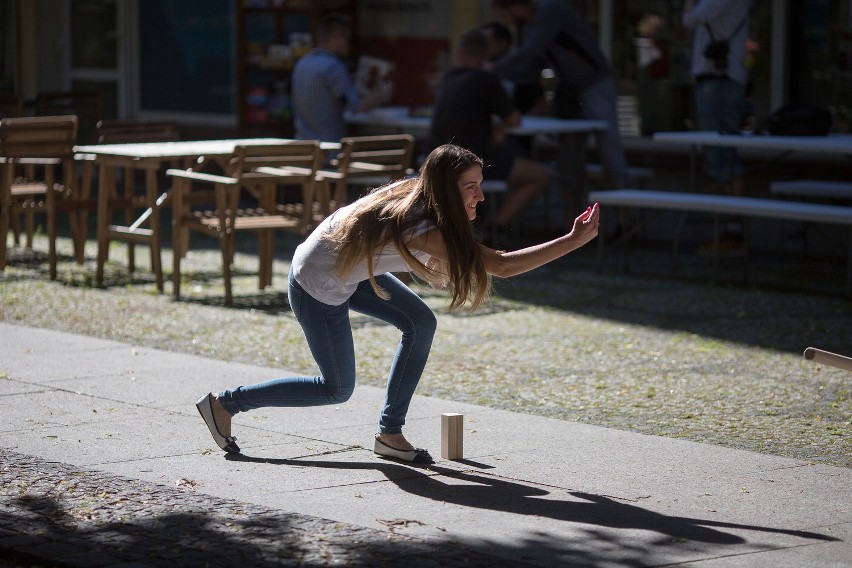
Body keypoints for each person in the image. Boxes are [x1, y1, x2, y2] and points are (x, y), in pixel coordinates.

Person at [196, 143, 601, 463]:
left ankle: (390, 434)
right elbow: (501, 266)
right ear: (447, 190)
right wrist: (573, 241)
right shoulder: (421, 226)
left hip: (346, 268)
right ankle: (225, 404)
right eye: (470, 187)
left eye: (480, 183)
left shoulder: (423, 192)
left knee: (420, 323)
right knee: (335, 389)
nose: (481, 195)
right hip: (316, 284)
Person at [489, 0, 631, 229]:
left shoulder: (549, 12)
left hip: (594, 86)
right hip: (570, 92)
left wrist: (491, 69)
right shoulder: (530, 26)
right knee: (568, 159)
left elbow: (531, 51)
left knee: (609, 152)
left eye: (503, 14)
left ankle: (626, 222)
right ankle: (572, 224)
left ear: (514, 7)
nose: (504, 21)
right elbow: (530, 66)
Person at [427, 29, 551, 244]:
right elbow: (514, 120)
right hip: (474, 158)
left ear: (459, 52)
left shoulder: (448, 77)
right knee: (540, 176)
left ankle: (482, 228)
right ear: (486, 53)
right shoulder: (487, 79)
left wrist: (490, 124)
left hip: (439, 158)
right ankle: (495, 227)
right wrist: (496, 125)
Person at [683, 0, 752, 250]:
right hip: (719, 80)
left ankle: (733, 230)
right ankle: (731, 228)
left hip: (719, 81)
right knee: (721, 155)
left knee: (723, 155)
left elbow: (688, 19)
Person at [291, 13, 392, 142]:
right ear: (337, 36)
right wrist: (382, 96)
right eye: (347, 39)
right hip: (327, 149)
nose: (348, 45)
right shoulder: (332, 66)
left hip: (303, 147)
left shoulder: (301, 64)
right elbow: (357, 107)